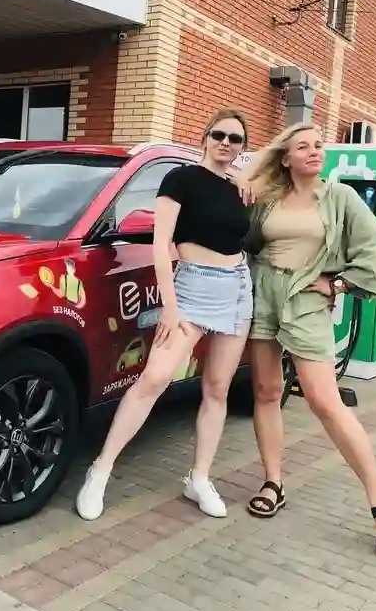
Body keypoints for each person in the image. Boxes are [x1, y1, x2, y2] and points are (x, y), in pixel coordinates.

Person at [240, 121, 376, 560]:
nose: (315, 151)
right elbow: (245, 232)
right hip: (265, 296)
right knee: (266, 392)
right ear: (286, 158)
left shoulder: (340, 196)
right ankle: (273, 482)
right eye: (303, 146)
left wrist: (338, 285)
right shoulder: (269, 197)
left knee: (324, 401)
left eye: (318, 145)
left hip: (306, 300)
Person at [76, 108, 253, 521]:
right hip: (191, 288)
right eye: (219, 135)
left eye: (235, 139)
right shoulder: (180, 178)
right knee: (154, 379)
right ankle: (100, 470)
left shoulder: (239, 187)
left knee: (218, 389)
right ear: (205, 136)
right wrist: (170, 307)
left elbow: (277, 162)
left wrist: (244, 174)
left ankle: (199, 478)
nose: (226, 143)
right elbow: (160, 245)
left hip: (237, 289)